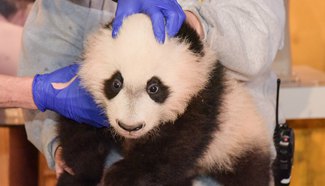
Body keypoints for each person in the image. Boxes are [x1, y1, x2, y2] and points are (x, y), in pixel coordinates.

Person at [14, 0, 285, 184]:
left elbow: (258, 35)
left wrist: (194, 23)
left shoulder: (197, 80)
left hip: (222, 157)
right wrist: (62, 146)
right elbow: (47, 50)